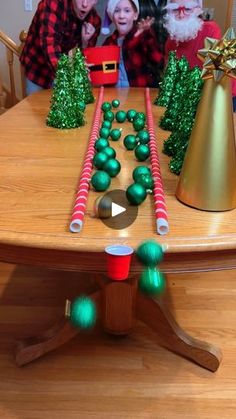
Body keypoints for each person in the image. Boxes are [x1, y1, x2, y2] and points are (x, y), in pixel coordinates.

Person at [164, 0, 236, 110]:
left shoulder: (211, 30)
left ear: (198, 10)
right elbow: (170, 78)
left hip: (223, 95)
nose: (181, 15)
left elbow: (218, 76)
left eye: (187, 9)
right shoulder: (171, 41)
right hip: (188, 98)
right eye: (175, 10)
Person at [20, 0, 101, 95]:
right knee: (35, 108)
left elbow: (83, 59)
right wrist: (69, 73)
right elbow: (50, 45)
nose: (85, 4)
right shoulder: (51, 4)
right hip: (38, 70)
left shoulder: (94, 21)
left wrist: (84, 42)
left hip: (66, 72)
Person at [102, 0, 164, 87]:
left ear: (135, 15)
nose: (121, 16)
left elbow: (158, 61)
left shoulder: (143, 37)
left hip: (137, 94)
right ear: (112, 16)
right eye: (117, 11)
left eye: (127, 11)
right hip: (114, 93)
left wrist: (147, 35)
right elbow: (104, 71)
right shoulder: (109, 42)